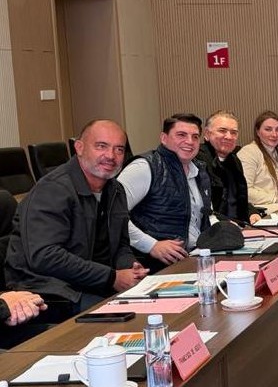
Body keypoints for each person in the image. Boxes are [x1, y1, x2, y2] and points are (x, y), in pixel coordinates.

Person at [6, 119, 146, 321]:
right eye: (101, 146)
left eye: (119, 149)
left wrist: (129, 266)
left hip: (92, 281)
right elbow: (45, 256)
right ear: (79, 148)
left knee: (153, 307)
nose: (111, 156)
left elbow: (120, 244)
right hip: (48, 288)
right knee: (127, 318)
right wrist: (111, 277)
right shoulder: (52, 190)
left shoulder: (115, 189)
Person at [118, 113, 213, 271]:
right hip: (153, 266)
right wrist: (151, 245)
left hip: (194, 259)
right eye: (181, 135)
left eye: (195, 137)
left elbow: (204, 217)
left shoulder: (199, 170)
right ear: (163, 138)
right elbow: (113, 215)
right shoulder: (144, 167)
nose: (190, 141)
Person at [197, 110, 256, 224]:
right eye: (222, 131)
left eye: (234, 133)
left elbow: (236, 198)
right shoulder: (198, 160)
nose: (229, 137)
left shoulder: (234, 160)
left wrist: (251, 212)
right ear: (207, 134)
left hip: (239, 226)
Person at [239, 111, 278, 206]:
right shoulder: (248, 152)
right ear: (257, 132)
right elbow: (244, 190)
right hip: (259, 209)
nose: (274, 134)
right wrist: (276, 199)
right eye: (268, 129)